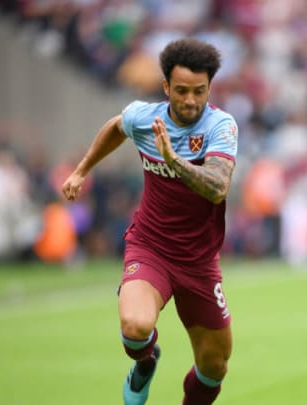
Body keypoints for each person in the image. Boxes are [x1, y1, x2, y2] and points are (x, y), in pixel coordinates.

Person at [62, 38, 238, 405]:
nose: (191, 100)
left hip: (199, 261)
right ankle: (146, 361)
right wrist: (81, 171)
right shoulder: (145, 116)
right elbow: (116, 126)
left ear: (210, 87)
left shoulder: (221, 126)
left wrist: (173, 161)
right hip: (151, 246)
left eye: (200, 91)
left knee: (215, 365)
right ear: (165, 88)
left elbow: (218, 188)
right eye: (182, 91)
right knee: (136, 327)